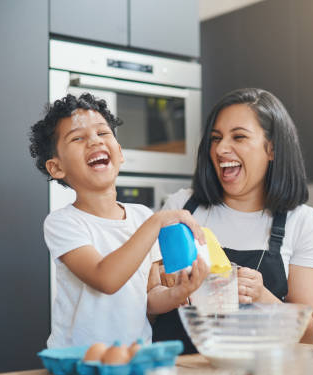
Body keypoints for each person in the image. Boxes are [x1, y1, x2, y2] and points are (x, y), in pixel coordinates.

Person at [29, 93, 209, 348]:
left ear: (120, 153)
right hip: (79, 361)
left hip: (135, 356)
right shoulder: (63, 223)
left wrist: (177, 293)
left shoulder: (141, 217)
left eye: (102, 133)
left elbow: (148, 298)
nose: (94, 142)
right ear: (57, 168)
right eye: (78, 138)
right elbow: (106, 279)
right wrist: (156, 223)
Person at [153, 88, 313, 352]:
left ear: (272, 149)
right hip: (179, 374)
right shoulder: (181, 208)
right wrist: (170, 286)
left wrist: (262, 297)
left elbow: (312, 335)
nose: (221, 149)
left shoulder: (300, 222)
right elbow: (146, 304)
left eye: (239, 137)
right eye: (216, 138)